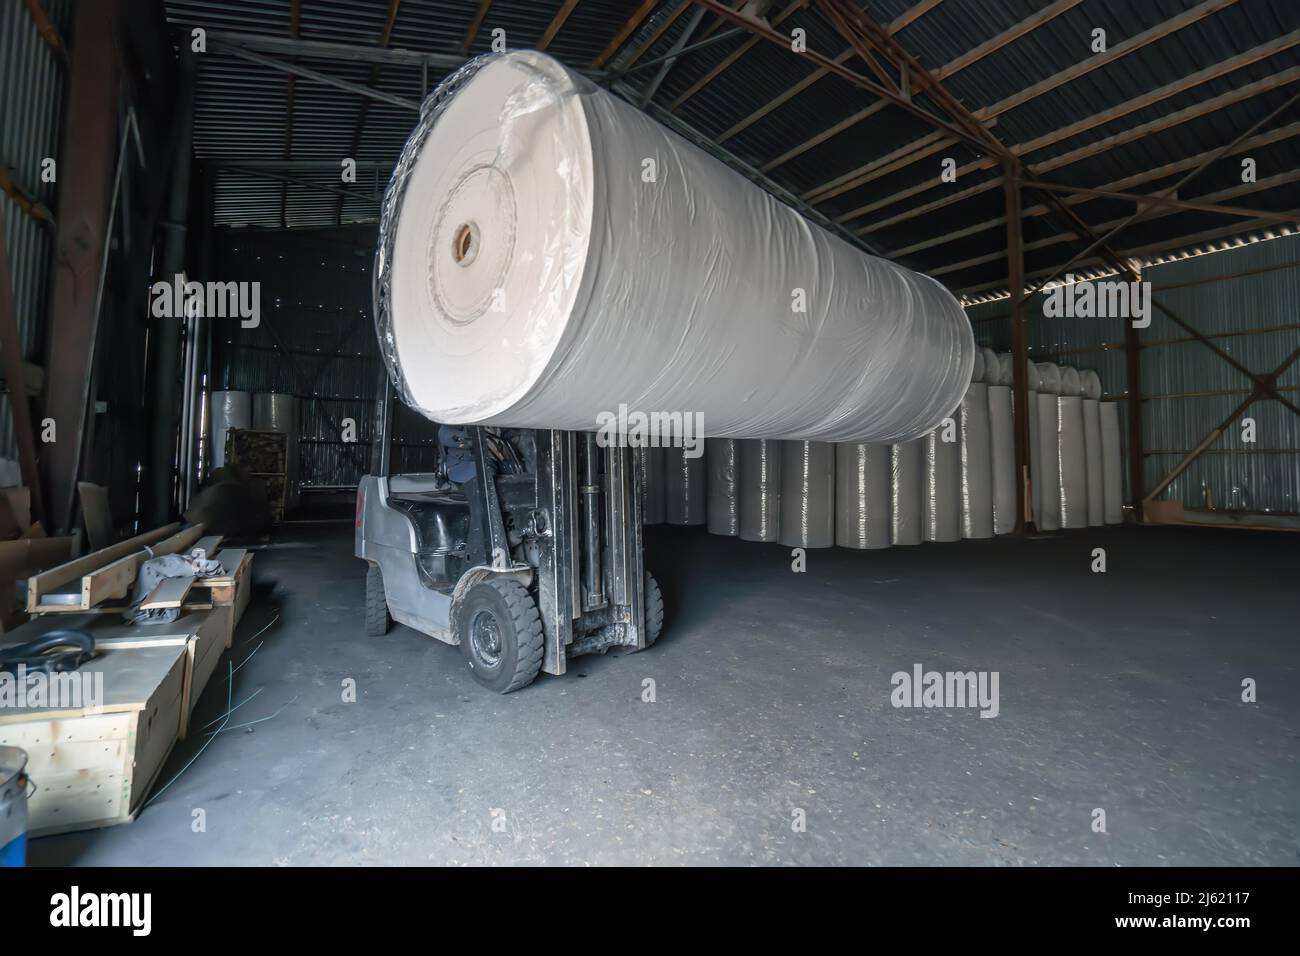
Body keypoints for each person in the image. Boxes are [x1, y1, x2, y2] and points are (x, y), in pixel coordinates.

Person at [439, 425, 489, 563]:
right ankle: (480, 538)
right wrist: (476, 440)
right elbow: (450, 437)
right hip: (459, 467)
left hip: (481, 463)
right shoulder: (448, 426)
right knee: (486, 474)